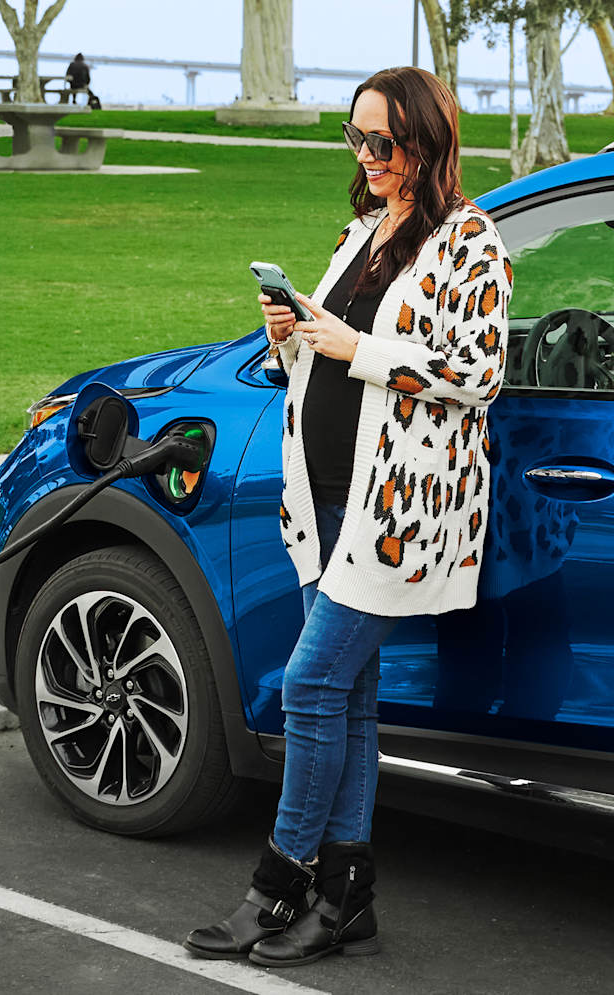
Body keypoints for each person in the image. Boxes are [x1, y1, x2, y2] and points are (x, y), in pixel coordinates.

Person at [184, 65, 512, 968]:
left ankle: (278, 882)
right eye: (355, 138)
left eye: (384, 142)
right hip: (328, 496)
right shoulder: (363, 230)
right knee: (352, 700)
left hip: (399, 509)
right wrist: (290, 335)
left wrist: (355, 345)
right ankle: (347, 894)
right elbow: (326, 364)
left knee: (311, 686)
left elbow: (478, 371)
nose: (366, 156)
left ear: (427, 141)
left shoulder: (470, 240)